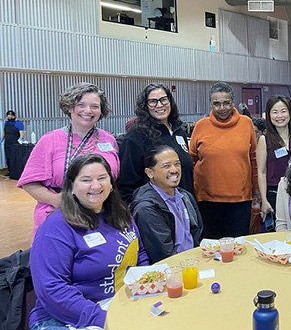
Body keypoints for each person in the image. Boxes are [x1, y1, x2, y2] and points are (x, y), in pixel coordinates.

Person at [29, 153, 149, 330]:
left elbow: (139, 257)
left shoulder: (121, 215)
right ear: (72, 187)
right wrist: (103, 319)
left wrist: (148, 285)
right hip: (60, 326)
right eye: (86, 180)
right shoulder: (56, 228)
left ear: (111, 184)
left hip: (116, 308)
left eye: (102, 178)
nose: (96, 185)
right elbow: (52, 290)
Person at [17, 82, 119, 236]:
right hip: (60, 213)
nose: (88, 111)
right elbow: (29, 182)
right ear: (70, 107)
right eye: (81, 105)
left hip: (102, 213)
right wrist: (57, 200)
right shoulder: (49, 140)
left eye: (94, 106)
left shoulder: (109, 140)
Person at [189, 82, 258, 239]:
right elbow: (191, 160)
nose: (222, 108)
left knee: (238, 247)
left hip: (241, 200)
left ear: (233, 102)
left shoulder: (246, 123)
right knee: (211, 248)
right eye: (217, 104)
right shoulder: (201, 126)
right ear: (211, 104)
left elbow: (253, 158)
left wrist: (257, 190)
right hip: (207, 200)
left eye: (226, 103)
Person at [118, 84, 194, 203]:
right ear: (145, 106)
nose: (159, 105)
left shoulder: (179, 131)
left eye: (163, 99)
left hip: (183, 206)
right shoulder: (136, 136)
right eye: (153, 101)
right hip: (155, 211)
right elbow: (126, 185)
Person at [131, 146, 203, 264]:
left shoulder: (185, 196)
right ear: (150, 173)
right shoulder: (146, 208)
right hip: (173, 269)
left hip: (194, 261)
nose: (174, 170)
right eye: (166, 166)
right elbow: (163, 254)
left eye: (177, 164)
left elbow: (197, 235)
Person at [257, 95, 291, 218]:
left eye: (283, 111)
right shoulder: (264, 140)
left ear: (290, 113)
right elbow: (261, 172)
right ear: (269, 115)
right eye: (275, 112)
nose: (279, 116)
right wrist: (264, 200)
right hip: (274, 193)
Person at [3, 110, 25, 178]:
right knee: (8, 157)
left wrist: (20, 140)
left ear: (14, 115)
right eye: (8, 116)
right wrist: (2, 139)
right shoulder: (6, 123)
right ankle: (9, 171)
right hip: (7, 143)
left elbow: (22, 134)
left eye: (11, 115)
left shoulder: (18, 123)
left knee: (14, 158)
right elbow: (4, 132)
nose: (10, 117)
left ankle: (15, 172)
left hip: (15, 144)